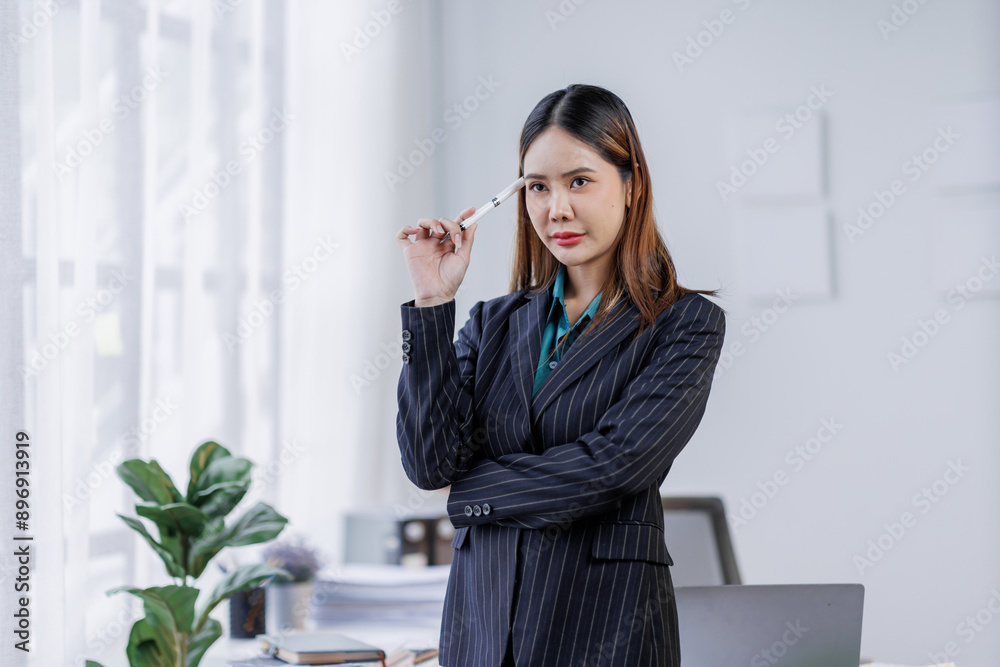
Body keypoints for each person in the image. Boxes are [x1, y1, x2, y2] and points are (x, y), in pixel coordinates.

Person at [394, 83, 726, 667]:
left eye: (579, 181)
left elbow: (611, 465)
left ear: (631, 185)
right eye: (537, 188)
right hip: (481, 638)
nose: (557, 209)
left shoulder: (683, 325)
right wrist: (432, 303)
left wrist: (470, 492)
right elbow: (430, 463)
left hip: (606, 636)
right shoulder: (491, 323)